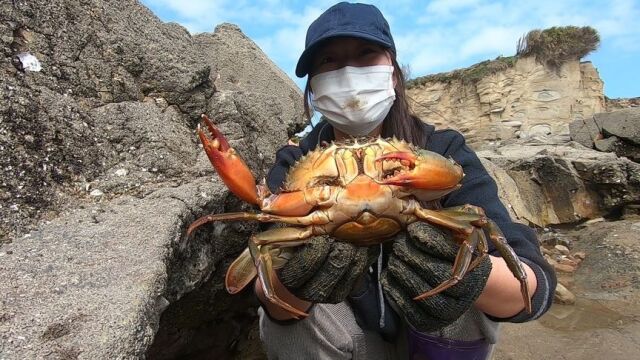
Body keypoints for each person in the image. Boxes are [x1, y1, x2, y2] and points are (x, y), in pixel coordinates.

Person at [254, 2, 557, 359]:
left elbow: (533, 285)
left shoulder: (441, 149)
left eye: (366, 54)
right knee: (284, 320)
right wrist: (295, 282)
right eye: (329, 61)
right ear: (312, 85)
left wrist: (471, 276)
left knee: (469, 272)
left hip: (435, 333)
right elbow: (265, 282)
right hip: (349, 340)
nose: (349, 72)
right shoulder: (296, 164)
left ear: (394, 73)